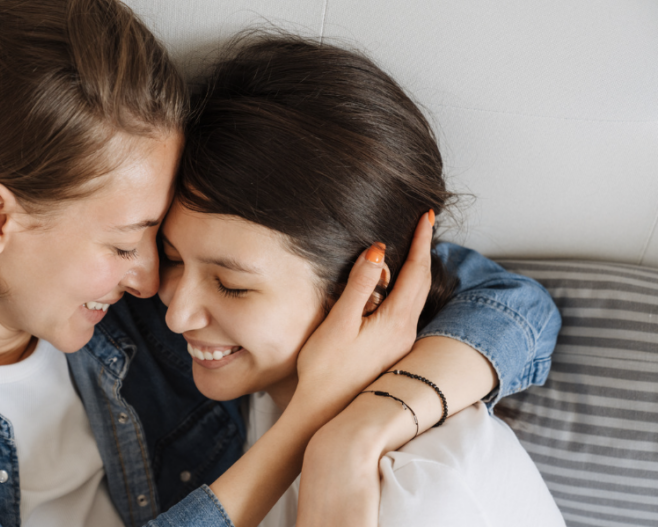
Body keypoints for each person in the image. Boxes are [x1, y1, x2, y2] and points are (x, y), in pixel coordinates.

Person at [0, 2, 559, 526]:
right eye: (123, 243)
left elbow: (494, 297)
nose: (155, 285)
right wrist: (305, 435)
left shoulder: (149, 301)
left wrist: (360, 430)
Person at [159, 34, 565, 526]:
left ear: (365, 294)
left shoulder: (430, 489)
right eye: (171, 258)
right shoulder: (263, 390)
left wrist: (347, 447)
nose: (175, 313)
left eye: (231, 285)